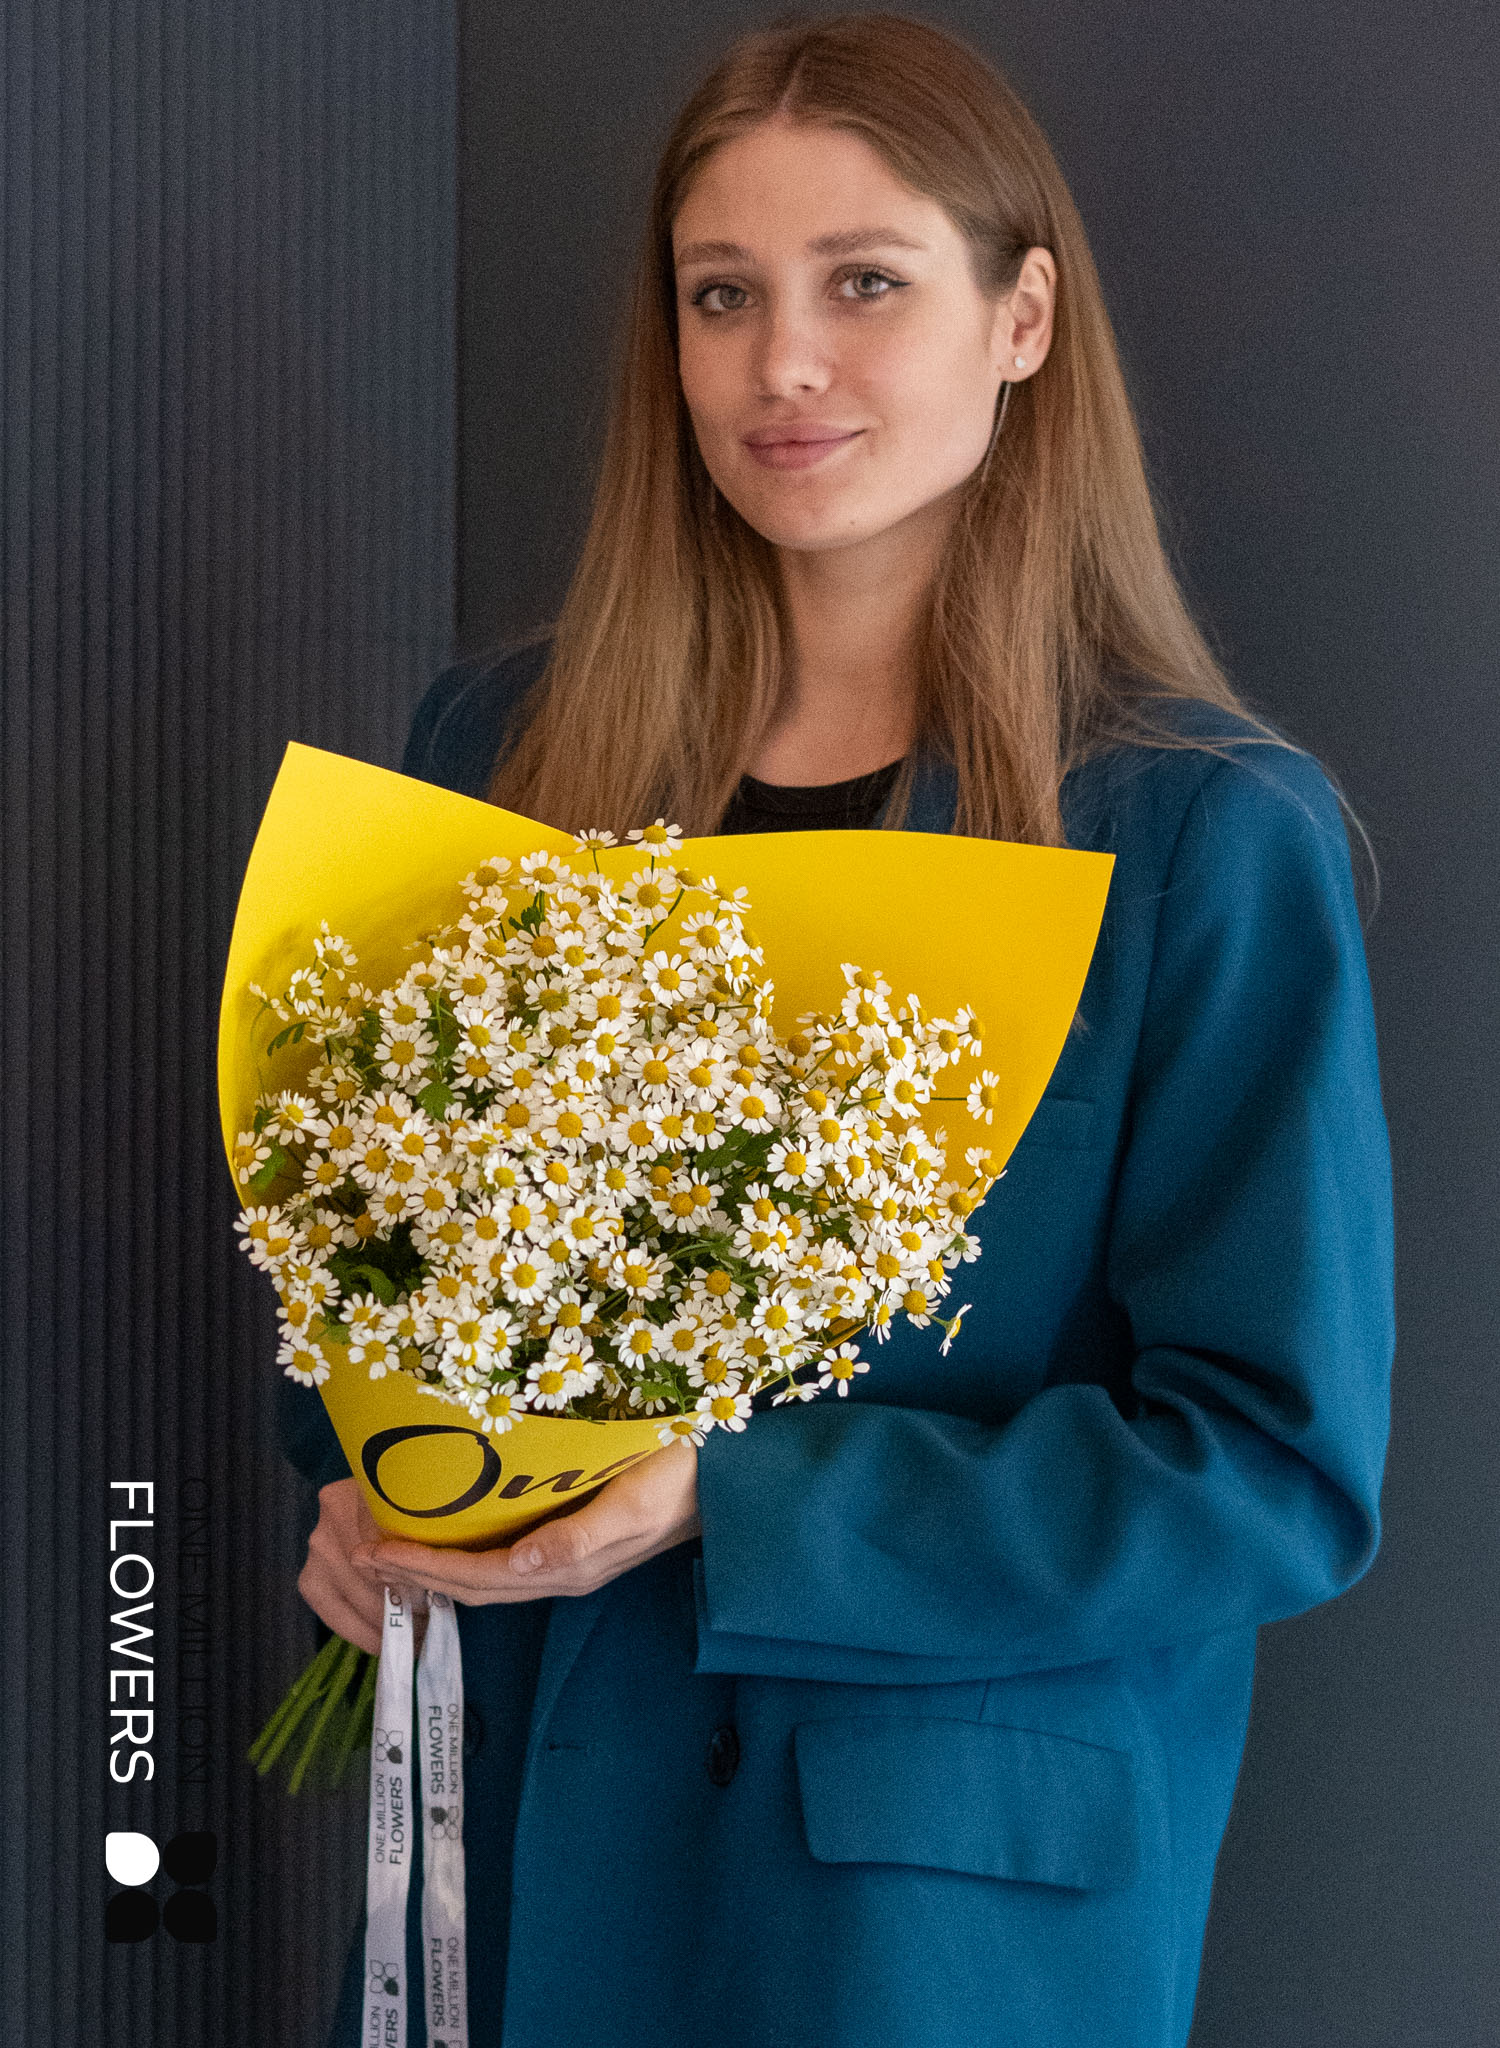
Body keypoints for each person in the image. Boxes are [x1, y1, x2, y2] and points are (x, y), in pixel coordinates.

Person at [283, 14, 1394, 2046]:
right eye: (723, 296)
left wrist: (732, 1492)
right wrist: (367, 1493)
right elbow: (369, 1278)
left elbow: (1263, 1469)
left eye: (863, 282)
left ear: (1023, 319)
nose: (781, 362)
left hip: (923, 1927)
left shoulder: (1202, 833)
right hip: (527, 1836)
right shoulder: (504, 755)